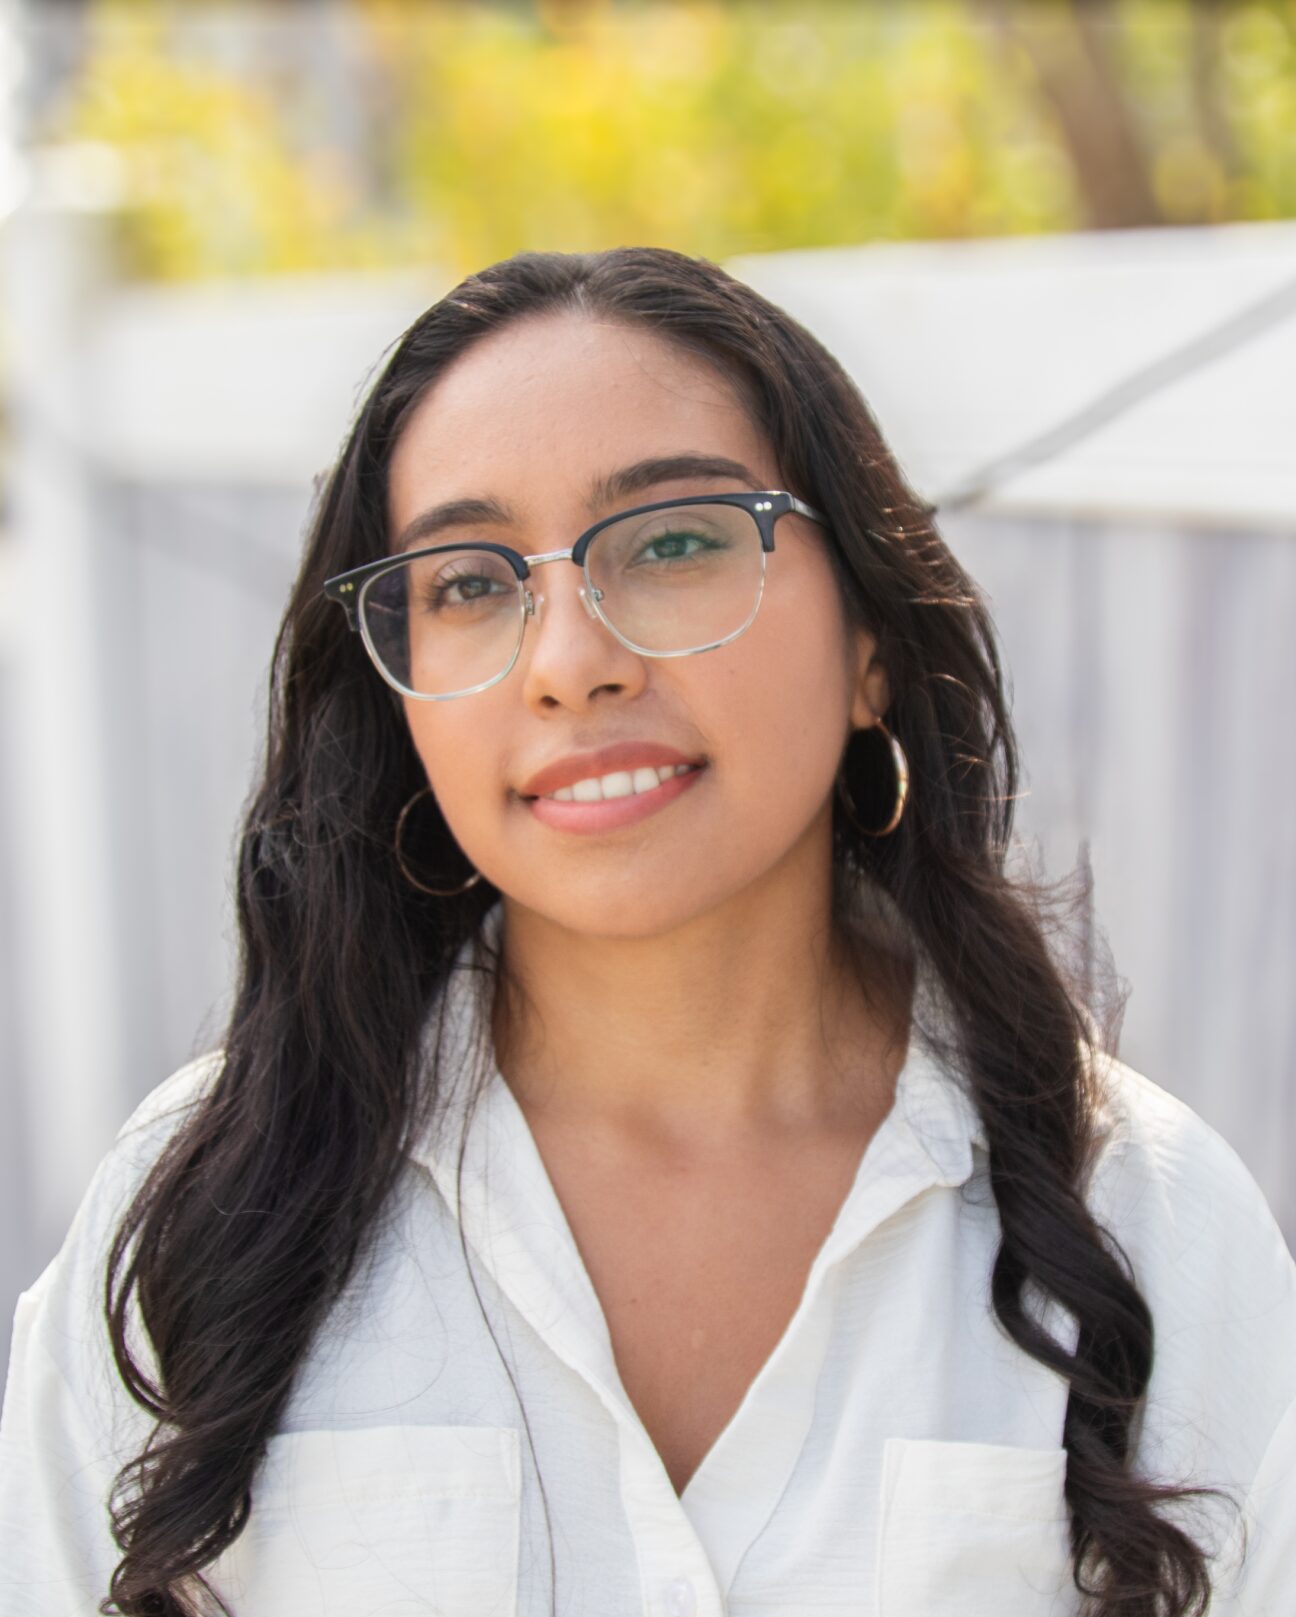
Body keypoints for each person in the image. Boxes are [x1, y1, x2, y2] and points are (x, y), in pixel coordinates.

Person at [2, 246, 1293, 1617]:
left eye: (673, 541)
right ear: (406, 703)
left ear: (870, 637)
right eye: (469, 581)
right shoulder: (209, 1217)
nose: (571, 662)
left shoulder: (1147, 1220)